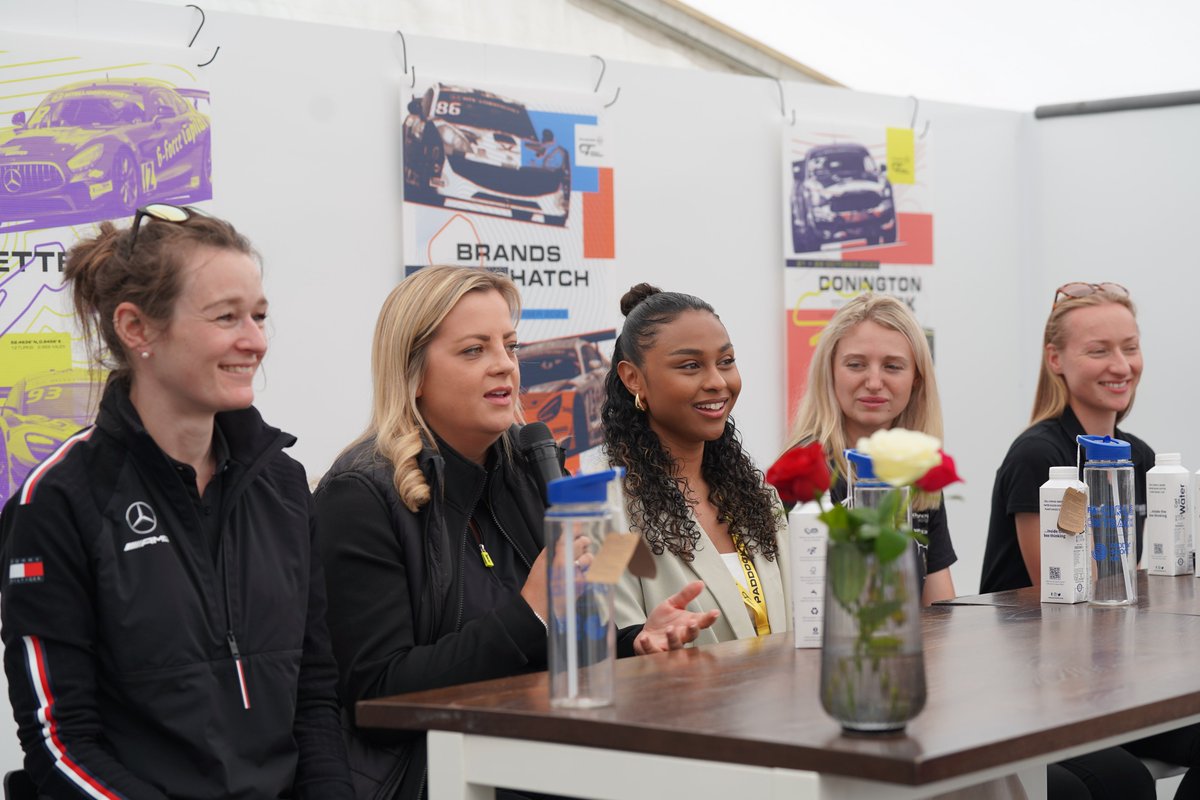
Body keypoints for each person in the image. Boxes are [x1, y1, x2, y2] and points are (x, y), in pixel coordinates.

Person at [314, 266, 719, 800]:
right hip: (437, 779)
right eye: (473, 351)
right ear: (412, 372)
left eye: (508, 345)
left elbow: (559, 649)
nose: (504, 366)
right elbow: (376, 695)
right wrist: (527, 613)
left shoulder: (528, 469)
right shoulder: (361, 495)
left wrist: (634, 644)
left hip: (543, 768)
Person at [0, 204, 353, 799]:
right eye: (227, 317)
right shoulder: (56, 501)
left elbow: (314, 697)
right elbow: (60, 743)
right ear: (137, 329)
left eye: (260, 316)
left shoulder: (285, 486)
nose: (256, 341)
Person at [982, 281, 1198, 800]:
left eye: (1130, 347)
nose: (1121, 365)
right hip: (1039, 690)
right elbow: (1064, 606)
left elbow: (1135, 587)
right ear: (1055, 359)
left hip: (1113, 683)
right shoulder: (1038, 457)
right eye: (1099, 350)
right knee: (1123, 781)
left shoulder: (1140, 457)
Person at [602, 284, 789, 644]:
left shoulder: (759, 497)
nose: (718, 382)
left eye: (726, 361)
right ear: (633, 378)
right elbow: (613, 641)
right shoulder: (606, 512)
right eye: (690, 366)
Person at [786, 292, 956, 605]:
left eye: (892, 366)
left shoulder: (914, 468)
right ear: (830, 371)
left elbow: (940, 612)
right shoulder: (802, 471)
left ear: (916, 379)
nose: (874, 382)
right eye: (856, 364)